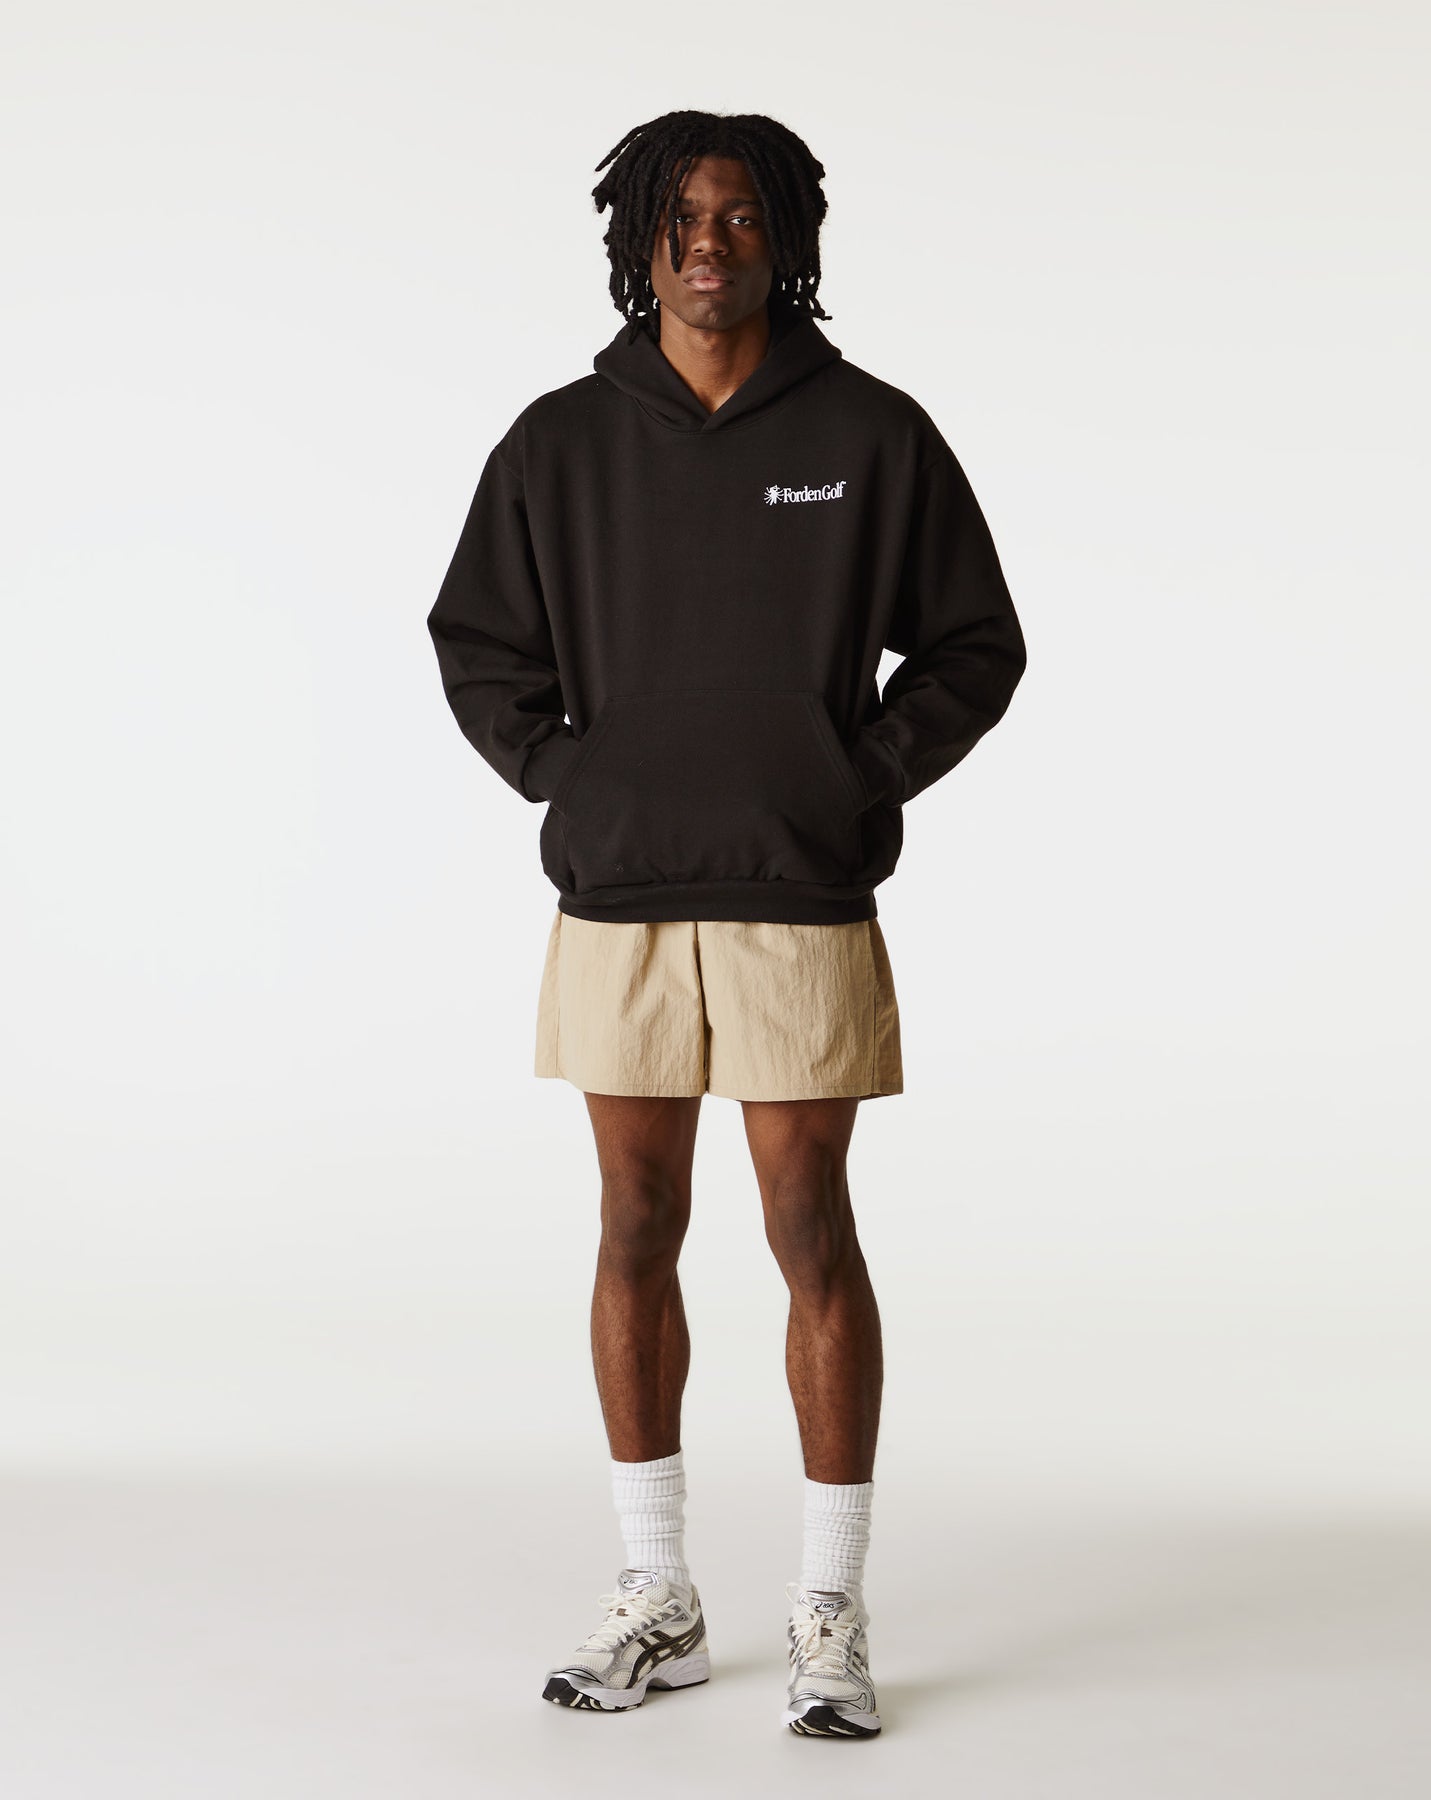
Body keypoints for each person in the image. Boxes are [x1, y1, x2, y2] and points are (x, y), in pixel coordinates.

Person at [426, 109, 1027, 1739]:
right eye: (682, 215)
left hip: (799, 899)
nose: (710, 241)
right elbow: (478, 642)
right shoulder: (560, 442)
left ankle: (830, 1610)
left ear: (787, 239)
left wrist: (857, 776)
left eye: (742, 214)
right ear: (641, 240)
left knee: (809, 1228)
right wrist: (573, 777)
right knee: (634, 1221)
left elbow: (976, 644)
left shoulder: (872, 433)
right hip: (617, 901)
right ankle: (660, 1595)